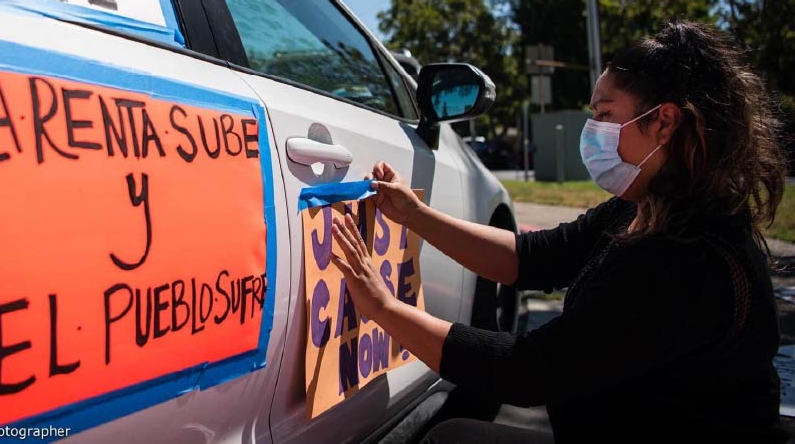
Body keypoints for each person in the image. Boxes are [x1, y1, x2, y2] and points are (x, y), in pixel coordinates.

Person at [329, 22, 787, 443]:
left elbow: (526, 372)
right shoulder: (646, 207)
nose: (592, 132)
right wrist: (414, 214)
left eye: (605, 115)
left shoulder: (687, 260)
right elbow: (530, 258)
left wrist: (384, 308)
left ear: (663, 122)